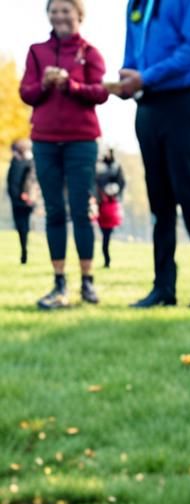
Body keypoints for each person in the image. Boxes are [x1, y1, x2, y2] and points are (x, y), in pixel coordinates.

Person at [110, 0, 190, 309]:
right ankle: (163, 286)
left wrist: (146, 76)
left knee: (187, 191)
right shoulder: (135, 3)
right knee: (159, 200)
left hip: (183, 100)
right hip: (147, 107)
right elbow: (132, 53)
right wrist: (127, 80)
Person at [19, 0, 108, 310]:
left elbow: (101, 92)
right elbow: (26, 93)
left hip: (81, 141)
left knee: (82, 210)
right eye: (53, 11)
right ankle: (59, 281)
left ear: (78, 15)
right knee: (54, 211)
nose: (59, 16)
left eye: (65, 11)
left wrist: (70, 85)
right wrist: (44, 83)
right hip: (44, 140)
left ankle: (88, 280)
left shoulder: (90, 52)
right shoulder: (36, 51)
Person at [6, 140, 36, 265]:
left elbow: (13, 184)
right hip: (27, 200)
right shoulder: (30, 162)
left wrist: (16, 198)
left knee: (21, 227)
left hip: (19, 202)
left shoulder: (17, 163)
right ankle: (24, 250)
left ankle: (24, 252)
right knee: (25, 226)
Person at [95, 147, 125, 269]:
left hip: (111, 205)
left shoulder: (116, 167)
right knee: (104, 233)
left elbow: (121, 183)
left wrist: (114, 191)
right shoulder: (98, 167)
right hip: (101, 204)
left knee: (107, 234)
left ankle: (107, 258)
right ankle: (106, 257)